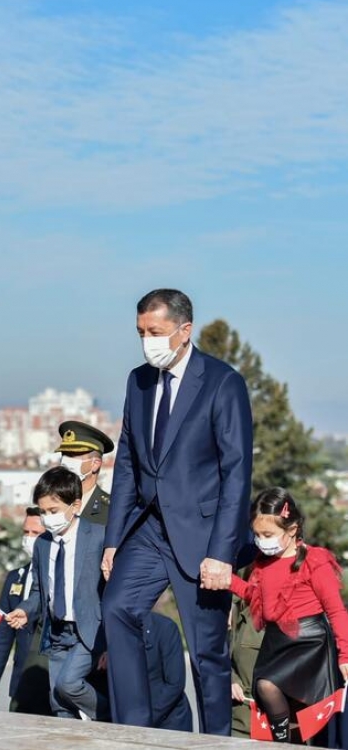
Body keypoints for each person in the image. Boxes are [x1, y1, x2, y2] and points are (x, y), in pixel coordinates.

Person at [101, 288, 253, 735]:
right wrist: (114, 539)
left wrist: (222, 553)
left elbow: (237, 473)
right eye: (140, 332)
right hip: (148, 530)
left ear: (185, 331)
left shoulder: (223, 382)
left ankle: (216, 741)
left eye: (156, 332)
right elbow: (127, 461)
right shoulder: (138, 381)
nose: (147, 340)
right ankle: (134, 731)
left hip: (203, 536)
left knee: (206, 653)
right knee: (118, 609)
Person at [224, 488, 348, 743]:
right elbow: (257, 596)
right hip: (277, 640)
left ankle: (292, 741)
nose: (261, 540)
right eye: (257, 535)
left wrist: (345, 654)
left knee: (303, 711)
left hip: (308, 643)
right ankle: (282, 740)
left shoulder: (314, 561)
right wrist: (229, 581)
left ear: (292, 530)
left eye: (268, 535)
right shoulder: (262, 562)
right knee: (265, 686)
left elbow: (336, 610)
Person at [5, 468, 106, 720]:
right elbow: (41, 590)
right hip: (57, 632)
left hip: (88, 631)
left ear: (76, 505)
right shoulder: (42, 544)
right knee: (58, 701)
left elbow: (111, 589)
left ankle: (110, 714)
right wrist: (25, 610)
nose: (48, 518)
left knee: (68, 684)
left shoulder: (98, 537)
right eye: (43, 512)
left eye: (54, 511)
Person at [0, 506, 52, 715]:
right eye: (26, 532)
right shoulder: (16, 577)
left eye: (36, 533)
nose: (29, 538)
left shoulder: (59, 577)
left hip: (52, 684)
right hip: (21, 686)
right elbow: (2, 635)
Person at [55, 420, 113, 526]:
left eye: (73, 455)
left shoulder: (112, 510)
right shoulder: (52, 504)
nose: (66, 460)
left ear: (95, 464)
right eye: (64, 455)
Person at [143, 612, 193, 731]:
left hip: (169, 720)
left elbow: (175, 683)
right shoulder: (115, 630)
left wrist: (145, 718)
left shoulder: (165, 627)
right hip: (134, 720)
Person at [229, 591, 264, 739]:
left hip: (288, 724)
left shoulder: (303, 612)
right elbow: (220, 657)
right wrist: (231, 681)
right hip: (243, 719)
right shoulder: (238, 611)